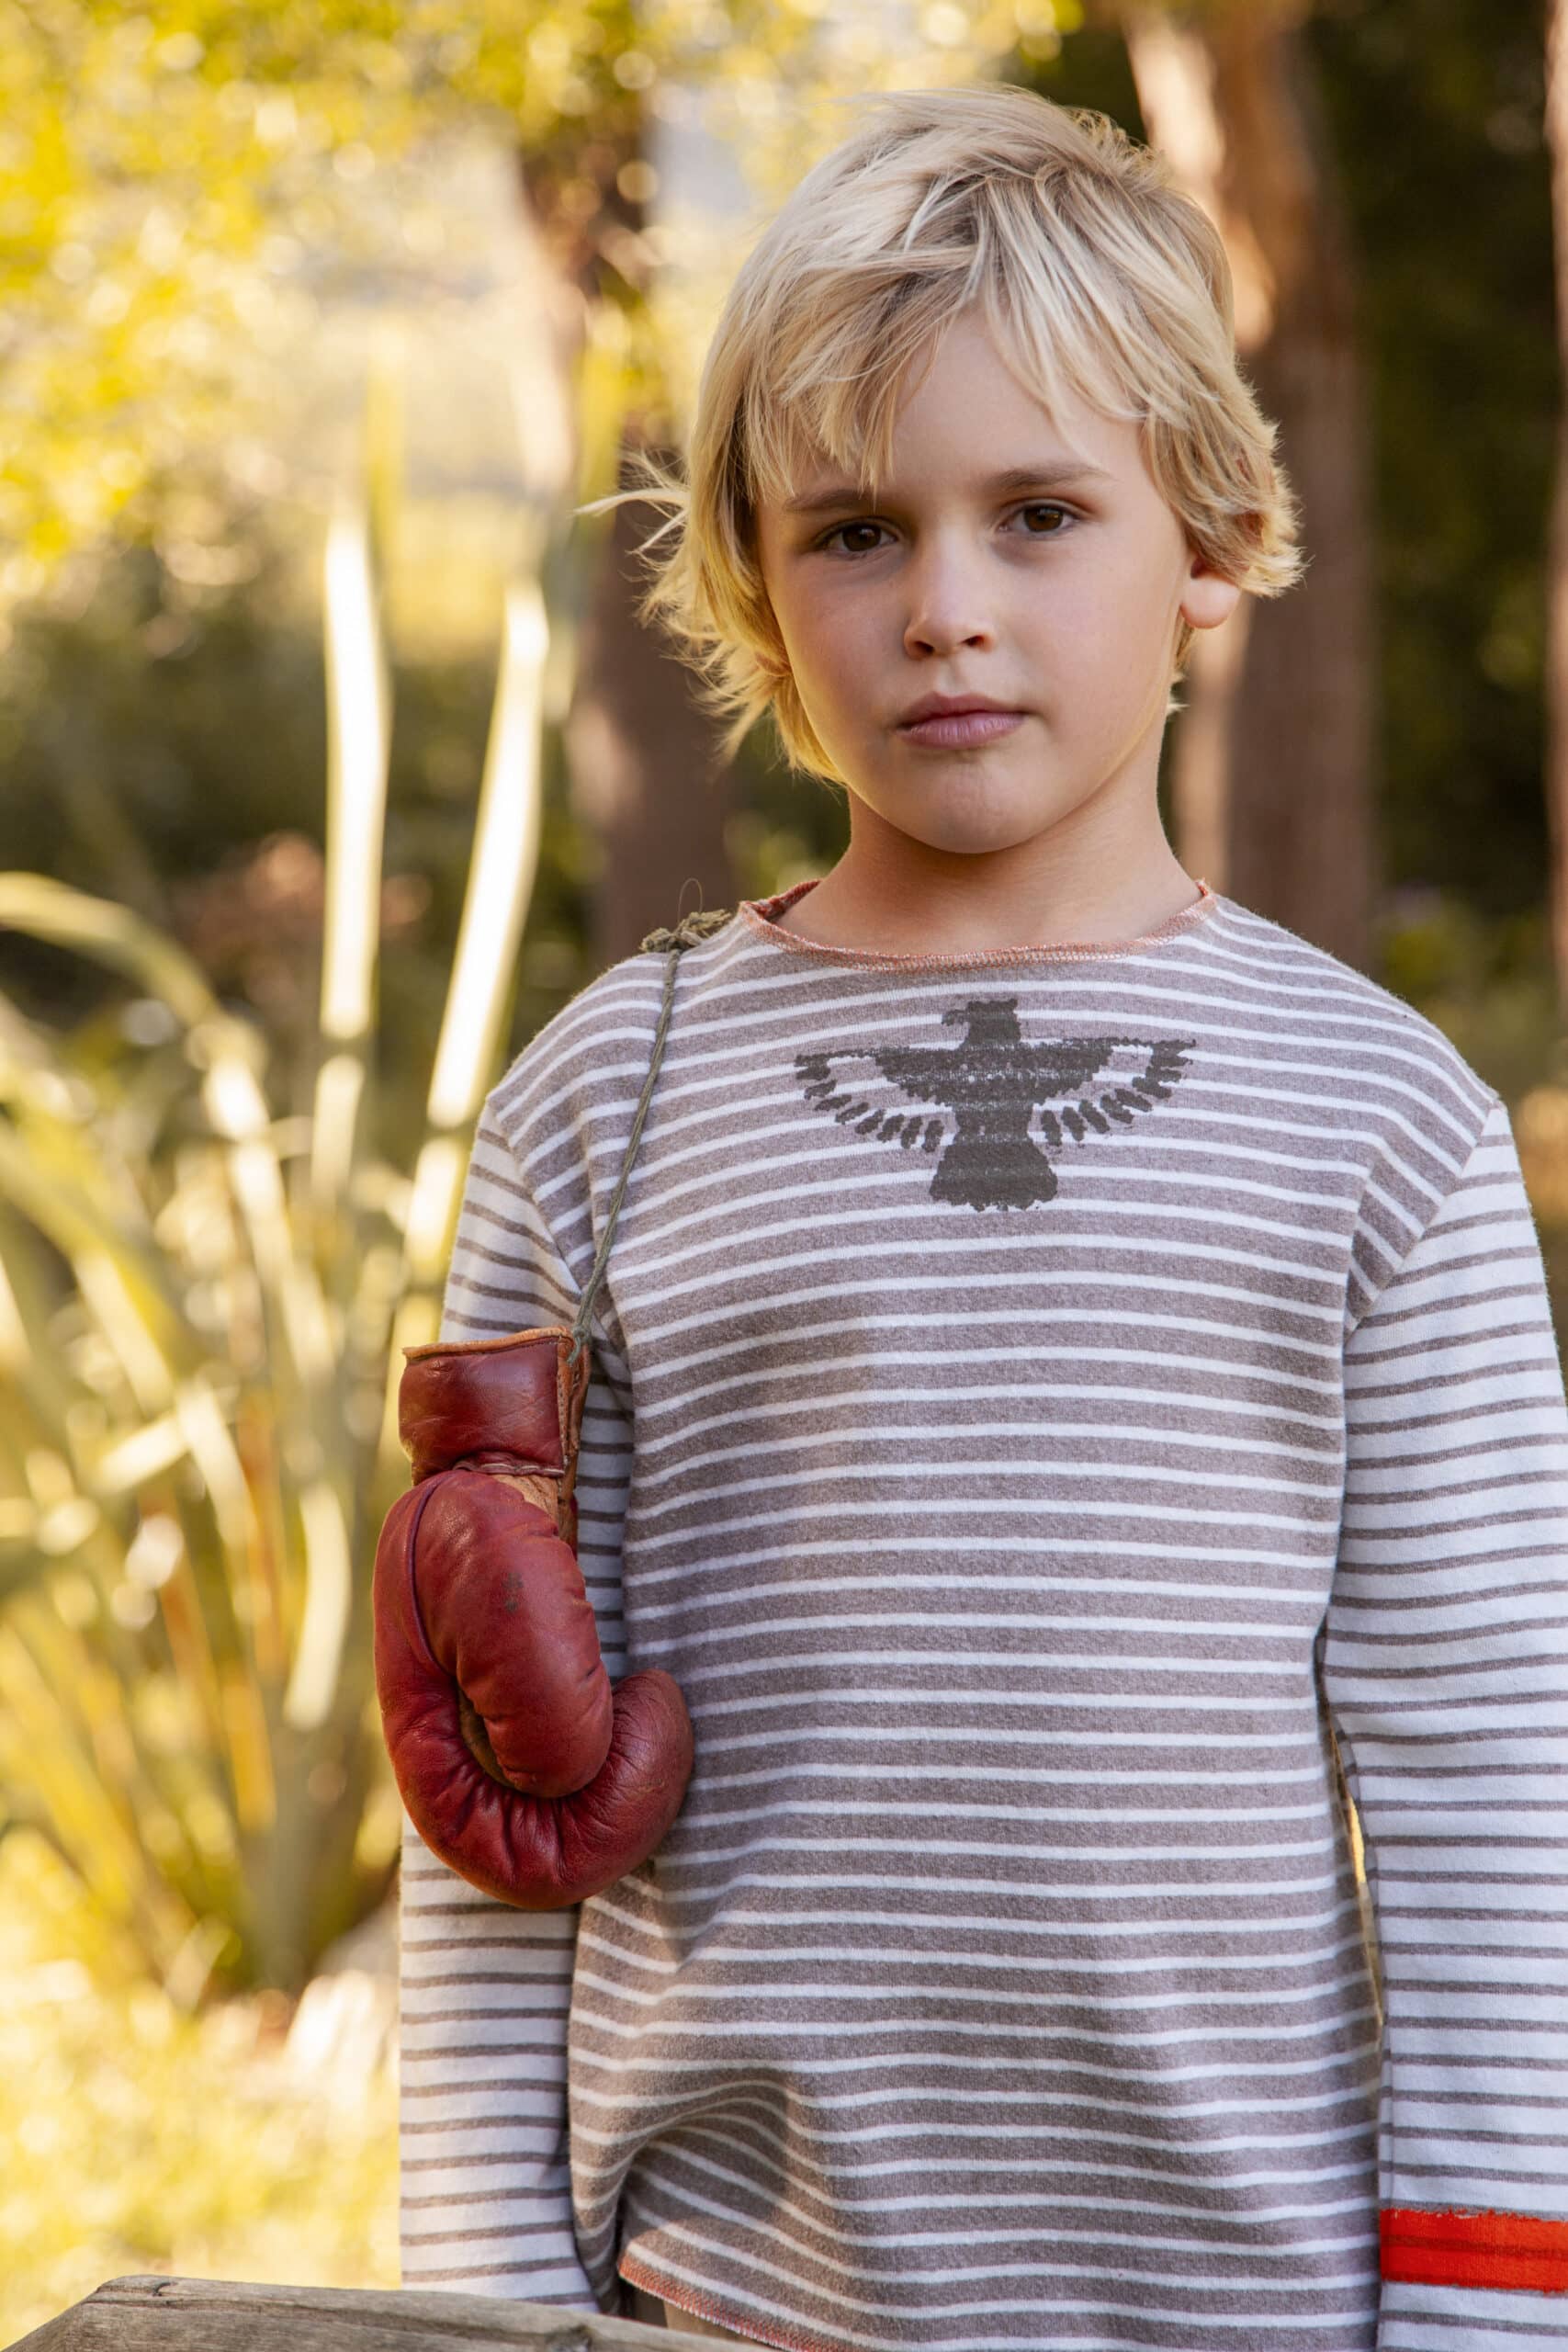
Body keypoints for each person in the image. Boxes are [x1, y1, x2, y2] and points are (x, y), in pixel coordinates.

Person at [395, 83, 1568, 2352]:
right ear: (752, 573)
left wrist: (1489, 2318)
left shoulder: (1373, 1122)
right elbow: (496, 1778)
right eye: (851, 531)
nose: (944, 609)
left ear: (1207, 542)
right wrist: (485, 2316)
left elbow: (1490, 1778)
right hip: (721, 2301)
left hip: (1255, 2304)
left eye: (1037, 512)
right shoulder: (603, 1109)